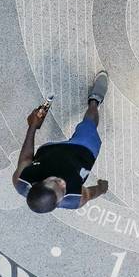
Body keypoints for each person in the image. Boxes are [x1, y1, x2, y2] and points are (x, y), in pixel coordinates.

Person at [12, 71, 110, 213]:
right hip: (82, 153)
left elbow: (26, 158)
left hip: (51, 151)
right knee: (90, 126)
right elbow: (91, 193)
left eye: (55, 182)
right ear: (59, 202)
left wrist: (32, 126)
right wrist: (101, 188)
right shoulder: (75, 199)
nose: (62, 183)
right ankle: (94, 101)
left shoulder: (21, 180)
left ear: (39, 182)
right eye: (63, 190)